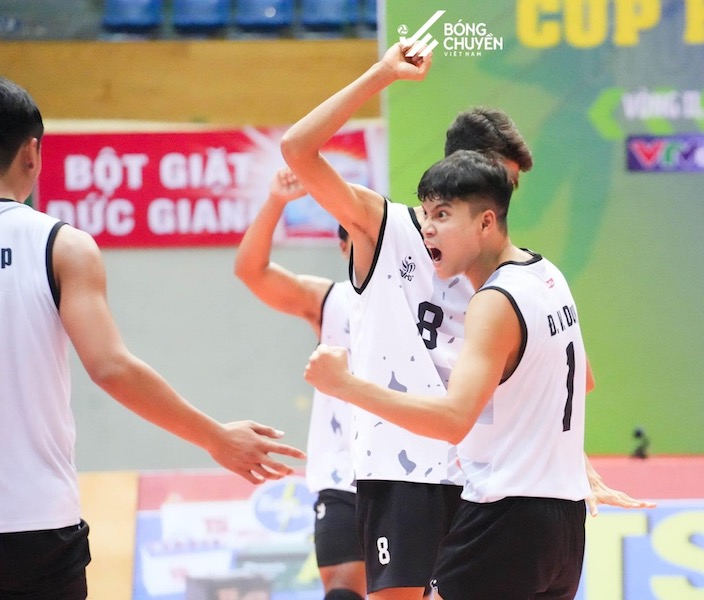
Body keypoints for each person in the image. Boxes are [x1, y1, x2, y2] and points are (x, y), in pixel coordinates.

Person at [281, 43, 644, 599]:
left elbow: (564, 380)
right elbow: (297, 149)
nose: (506, 194)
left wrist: (573, 461)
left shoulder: (504, 269)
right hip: (404, 467)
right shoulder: (385, 226)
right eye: (500, 178)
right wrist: (382, 74)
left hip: (481, 474)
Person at [0, 77, 305, 599]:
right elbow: (110, 368)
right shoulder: (61, 246)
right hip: (36, 524)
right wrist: (215, 437)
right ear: (32, 153)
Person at [234, 167, 365, 600]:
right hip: (343, 475)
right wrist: (275, 201)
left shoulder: (421, 301)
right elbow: (251, 271)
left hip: (411, 474)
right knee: (342, 590)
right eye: (357, 237)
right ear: (343, 246)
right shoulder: (330, 300)